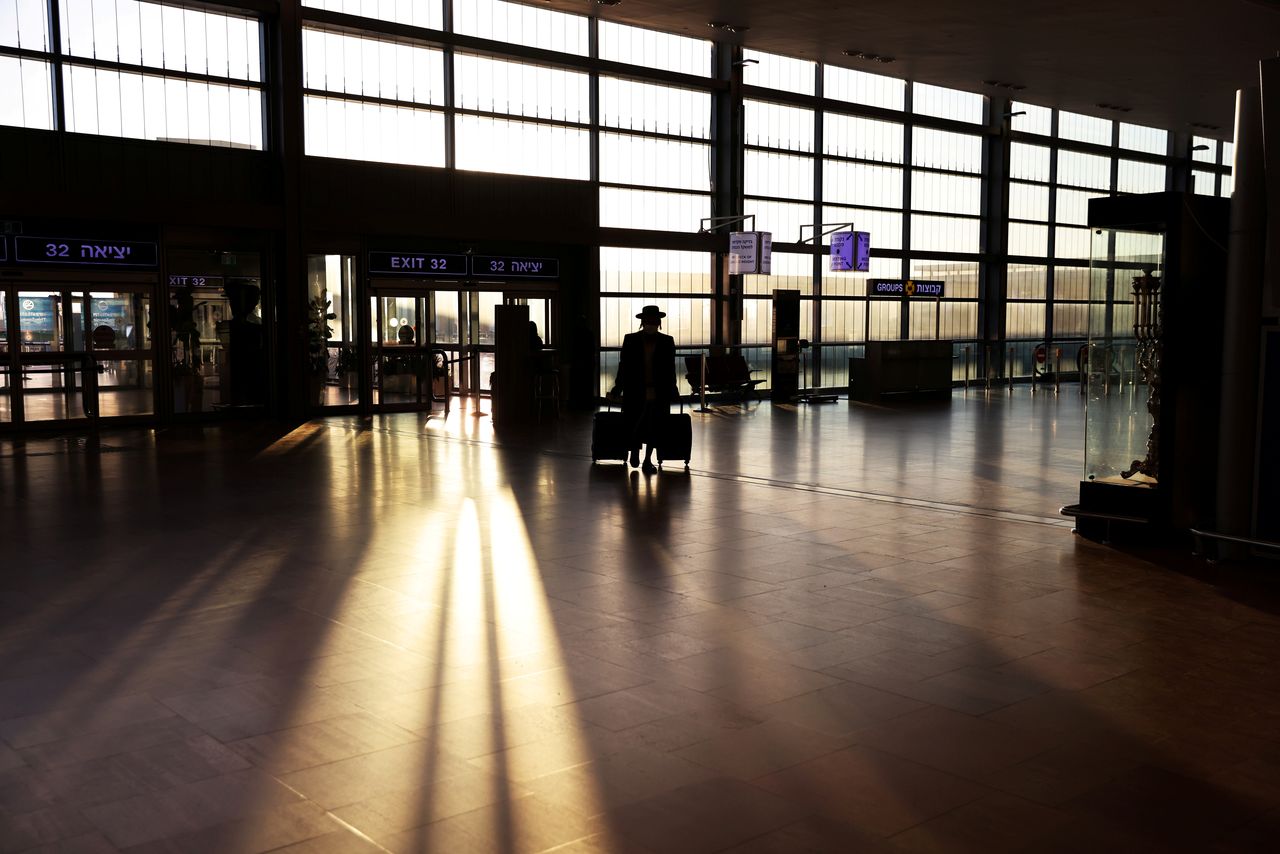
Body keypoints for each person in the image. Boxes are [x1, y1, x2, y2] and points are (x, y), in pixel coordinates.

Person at [611, 305, 677, 473]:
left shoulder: (667, 341)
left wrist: (673, 390)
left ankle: (647, 459)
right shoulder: (630, 340)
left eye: (654, 321)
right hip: (635, 390)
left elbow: (670, 368)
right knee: (634, 422)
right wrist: (618, 387)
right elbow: (624, 366)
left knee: (655, 426)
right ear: (642, 322)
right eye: (648, 321)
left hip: (658, 391)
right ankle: (634, 451)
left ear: (659, 322)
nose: (651, 324)